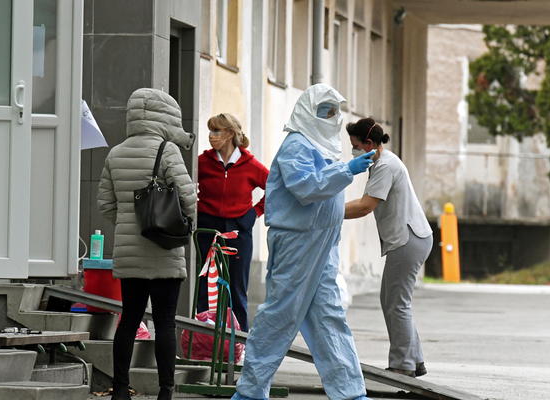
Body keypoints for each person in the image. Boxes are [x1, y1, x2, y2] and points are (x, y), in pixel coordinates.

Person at [232, 84, 375, 400]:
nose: (330, 117)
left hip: (322, 242)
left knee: (328, 315)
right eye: (324, 111)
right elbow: (306, 188)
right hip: (297, 240)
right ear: (307, 112)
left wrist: (343, 168)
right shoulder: (297, 146)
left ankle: (350, 391)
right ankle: (250, 391)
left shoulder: (324, 148)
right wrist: (347, 170)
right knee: (281, 312)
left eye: (333, 111)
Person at [97, 88, 197, 400]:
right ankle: (166, 391)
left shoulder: (116, 152)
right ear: (165, 116)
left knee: (129, 318)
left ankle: (120, 390)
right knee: (165, 322)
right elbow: (187, 196)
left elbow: (105, 204)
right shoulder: (167, 150)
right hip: (165, 250)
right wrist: (184, 226)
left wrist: (128, 223)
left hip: (129, 252)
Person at [344, 117, 433, 378]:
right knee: (393, 301)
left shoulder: (384, 166)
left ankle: (402, 364)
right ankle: (414, 359)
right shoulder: (383, 160)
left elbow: (365, 206)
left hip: (408, 240)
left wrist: (328, 210)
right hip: (410, 238)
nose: (354, 150)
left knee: (397, 303)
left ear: (369, 143)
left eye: (355, 146)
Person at [196, 113, 269, 332]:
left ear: (229, 134)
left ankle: (239, 343)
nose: (211, 136)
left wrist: (255, 212)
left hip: (238, 230)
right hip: (207, 227)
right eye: (210, 131)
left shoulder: (251, 165)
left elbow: (275, 189)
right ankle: (204, 340)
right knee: (204, 286)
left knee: (236, 288)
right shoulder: (202, 162)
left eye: (216, 131)